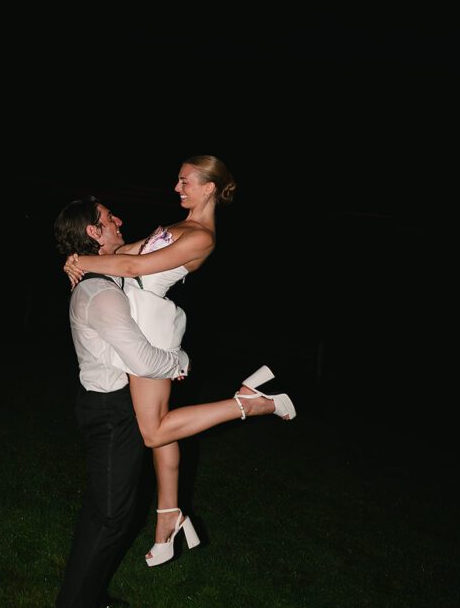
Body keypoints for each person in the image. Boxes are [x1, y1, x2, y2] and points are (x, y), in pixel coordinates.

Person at [45, 195, 295, 608]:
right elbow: (142, 359)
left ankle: (91, 595)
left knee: (118, 511)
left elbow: (144, 250)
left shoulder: (111, 274)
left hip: (118, 406)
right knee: (108, 516)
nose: (119, 219)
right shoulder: (100, 294)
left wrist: (77, 258)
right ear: (96, 232)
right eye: (107, 218)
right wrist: (181, 363)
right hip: (107, 413)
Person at [63, 156, 291, 568]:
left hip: (151, 328)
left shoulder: (202, 236)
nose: (176, 187)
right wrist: (81, 257)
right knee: (161, 426)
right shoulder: (178, 226)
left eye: (185, 181)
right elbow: (128, 251)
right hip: (145, 319)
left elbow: (135, 266)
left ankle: (253, 403)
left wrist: (84, 263)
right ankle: (168, 516)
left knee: (153, 432)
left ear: (208, 188)